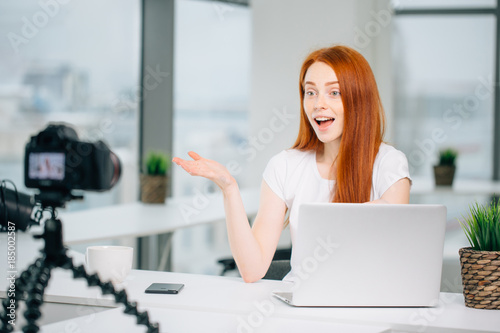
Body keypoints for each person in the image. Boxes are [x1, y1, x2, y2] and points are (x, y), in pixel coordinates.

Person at [173, 45, 411, 283]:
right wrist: (229, 189)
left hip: (365, 306)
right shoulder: (284, 166)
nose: (319, 104)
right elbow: (252, 269)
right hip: (300, 305)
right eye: (310, 92)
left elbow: (385, 254)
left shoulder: (389, 164)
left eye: (334, 93)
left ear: (359, 98)